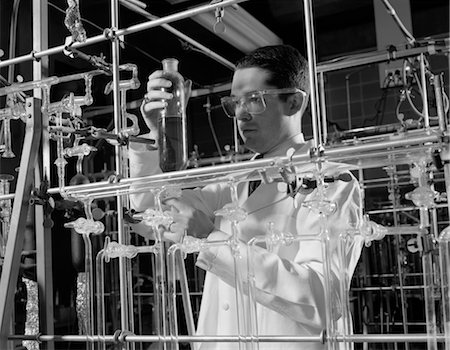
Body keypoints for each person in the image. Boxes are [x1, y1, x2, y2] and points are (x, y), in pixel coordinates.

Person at [129, 45, 364, 350]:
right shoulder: (235, 182)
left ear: (293, 102)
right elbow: (151, 214)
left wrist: (212, 239)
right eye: (235, 103)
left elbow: (322, 300)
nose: (240, 114)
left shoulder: (331, 181)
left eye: (254, 100)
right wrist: (155, 135)